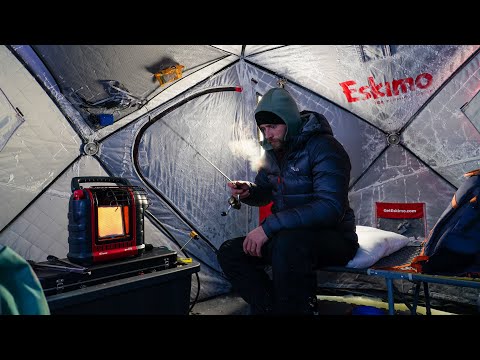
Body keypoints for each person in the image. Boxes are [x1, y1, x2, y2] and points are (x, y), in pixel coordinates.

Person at [217, 87, 359, 315]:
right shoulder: (273, 154)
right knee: (230, 252)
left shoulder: (325, 148)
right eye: (263, 129)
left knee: (287, 245)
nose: (268, 134)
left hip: (333, 237)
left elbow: (330, 208)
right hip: (288, 235)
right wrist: (249, 191)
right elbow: (266, 191)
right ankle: (271, 309)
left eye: (273, 126)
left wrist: (268, 227)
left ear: (290, 121)